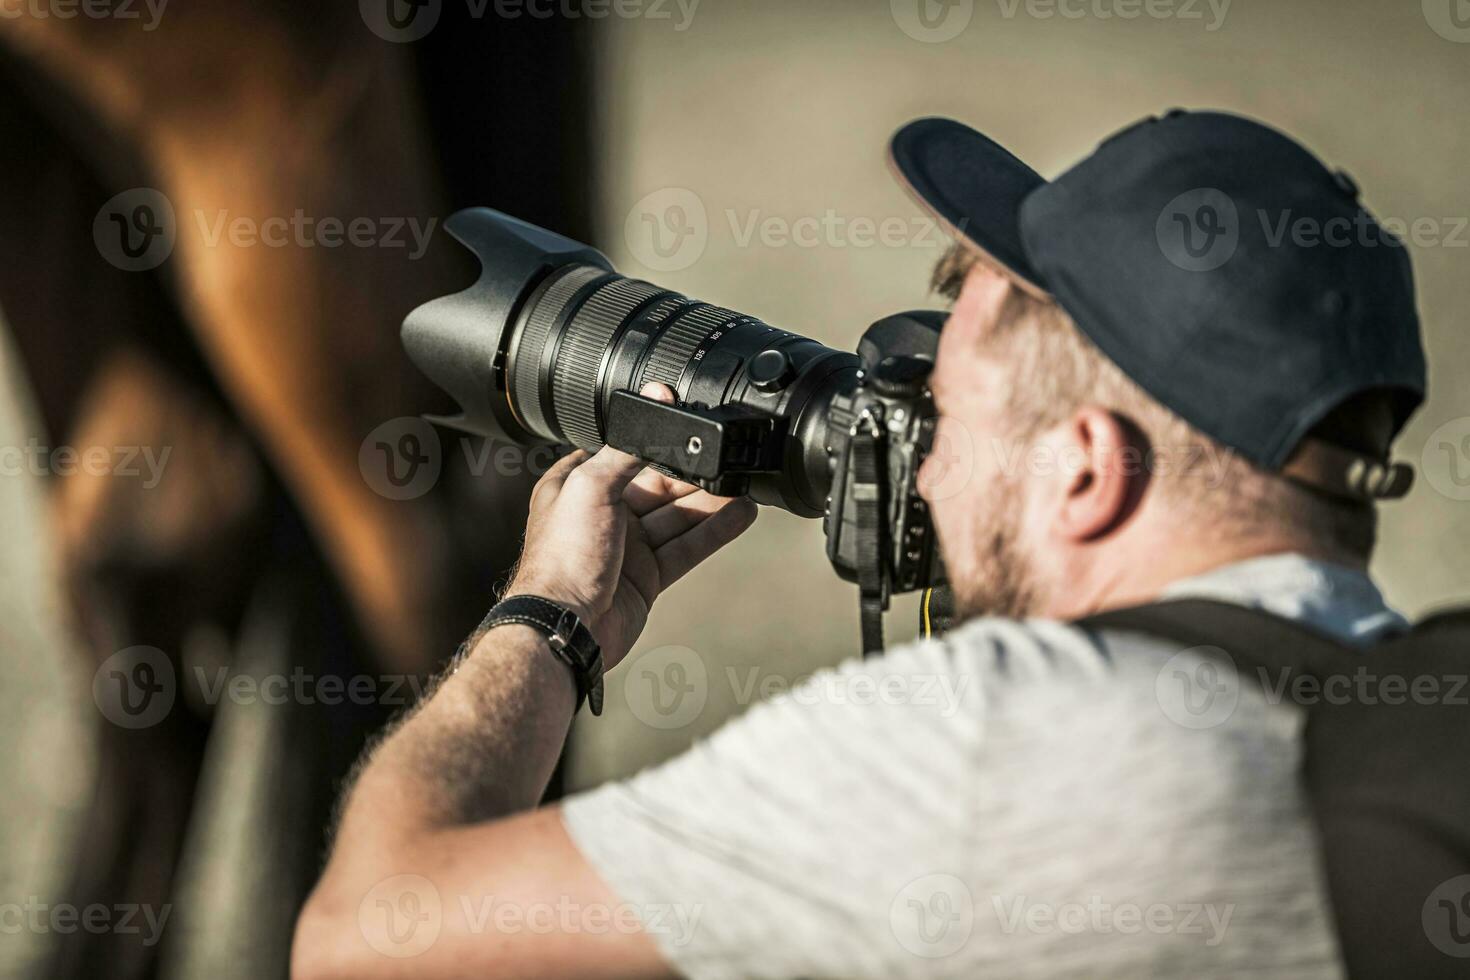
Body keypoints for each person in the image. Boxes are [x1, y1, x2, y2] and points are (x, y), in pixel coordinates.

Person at [292, 109, 1428, 978]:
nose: (915, 456)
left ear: (1086, 468)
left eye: (951, 406)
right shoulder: (1419, 719)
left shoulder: (998, 741)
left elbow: (367, 934)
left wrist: (549, 616)